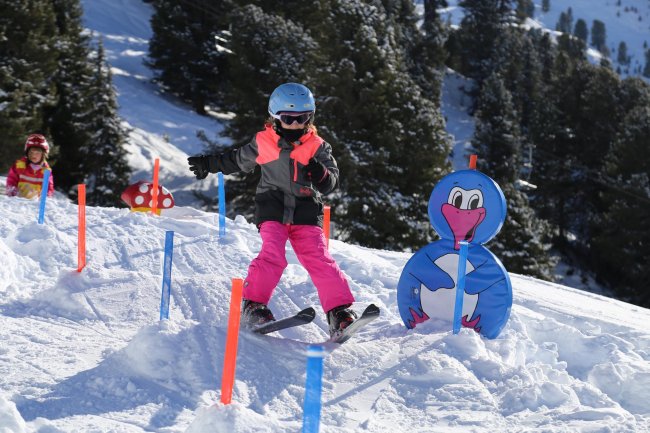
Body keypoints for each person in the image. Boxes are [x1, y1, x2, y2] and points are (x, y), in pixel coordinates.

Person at [188, 82, 357, 336]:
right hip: (272, 208)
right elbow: (236, 160)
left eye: (303, 118)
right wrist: (208, 164)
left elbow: (331, 180)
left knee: (319, 258)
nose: (297, 124)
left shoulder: (317, 145)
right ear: (275, 117)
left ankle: (339, 312)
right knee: (273, 255)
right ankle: (254, 305)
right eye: (289, 118)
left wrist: (320, 173)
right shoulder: (263, 141)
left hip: (306, 210)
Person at [6, 134, 54, 199]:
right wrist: (11, 191)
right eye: (31, 152)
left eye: (37, 153)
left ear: (43, 154)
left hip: (33, 204)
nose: (34, 155)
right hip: (17, 201)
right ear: (27, 153)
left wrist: (47, 196)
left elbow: (49, 187)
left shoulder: (46, 171)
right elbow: (11, 179)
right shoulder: (19, 166)